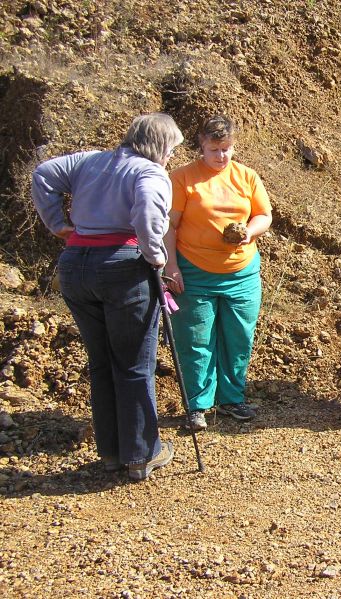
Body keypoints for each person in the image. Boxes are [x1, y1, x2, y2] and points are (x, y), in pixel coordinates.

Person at [31, 113, 184, 481]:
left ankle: (112, 454)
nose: (171, 158)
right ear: (160, 145)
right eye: (172, 149)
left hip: (75, 265)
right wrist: (156, 257)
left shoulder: (91, 160)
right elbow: (149, 208)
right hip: (122, 266)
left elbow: (43, 174)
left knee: (101, 362)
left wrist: (58, 224)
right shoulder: (149, 172)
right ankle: (140, 455)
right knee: (132, 363)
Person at [165, 115, 272, 431]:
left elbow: (264, 215)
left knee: (239, 336)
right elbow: (169, 226)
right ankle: (197, 405)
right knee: (195, 339)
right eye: (214, 149)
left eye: (226, 149)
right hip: (194, 271)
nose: (221, 156)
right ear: (201, 145)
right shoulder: (183, 178)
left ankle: (232, 399)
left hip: (241, 272)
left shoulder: (246, 176)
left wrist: (249, 232)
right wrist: (170, 267)